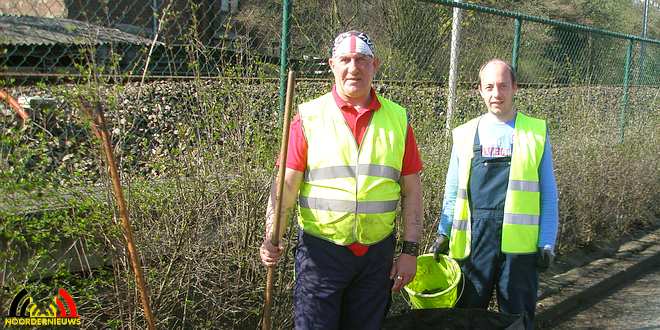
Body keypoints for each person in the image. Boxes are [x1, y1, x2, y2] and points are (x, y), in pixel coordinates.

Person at [259, 30, 424, 330]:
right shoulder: (308, 117)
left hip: (376, 259)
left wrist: (409, 252)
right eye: (345, 60)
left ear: (375, 65)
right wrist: (273, 236)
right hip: (321, 256)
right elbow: (286, 187)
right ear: (332, 64)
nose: (353, 67)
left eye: (362, 59)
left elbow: (412, 192)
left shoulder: (398, 120)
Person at [431, 59, 558, 329]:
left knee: (517, 321)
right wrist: (444, 232)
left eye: (502, 86)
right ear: (479, 90)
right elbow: (453, 191)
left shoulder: (536, 133)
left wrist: (547, 241)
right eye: (489, 87)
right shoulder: (464, 134)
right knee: (465, 319)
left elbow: (548, 194)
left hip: (520, 252)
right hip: (472, 246)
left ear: (515, 88)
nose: (496, 94)